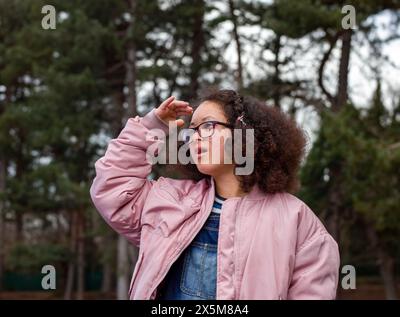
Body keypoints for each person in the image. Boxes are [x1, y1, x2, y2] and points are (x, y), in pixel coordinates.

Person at [90, 89, 340, 300]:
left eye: (208, 125)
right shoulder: (169, 200)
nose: (195, 137)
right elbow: (112, 187)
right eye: (193, 129)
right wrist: (151, 127)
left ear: (245, 134)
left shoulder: (297, 221)